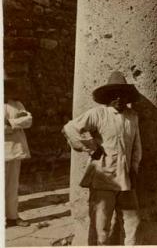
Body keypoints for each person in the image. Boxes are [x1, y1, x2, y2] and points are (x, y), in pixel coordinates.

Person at [62, 71, 142, 246]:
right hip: (103, 177)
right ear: (108, 97)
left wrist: (134, 169)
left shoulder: (132, 116)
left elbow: (136, 146)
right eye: (114, 95)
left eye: (123, 95)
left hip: (126, 178)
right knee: (102, 226)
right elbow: (70, 128)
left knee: (132, 222)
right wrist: (91, 146)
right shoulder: (98, 114)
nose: (119, 99)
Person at [4, 76, 32, 228]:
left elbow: (28, 120)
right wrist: (14, 125)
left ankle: (12, 216)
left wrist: (11, 123)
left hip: (15, 150)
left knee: (12, 185)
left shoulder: (17, 104)